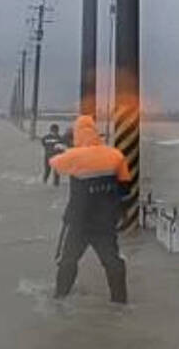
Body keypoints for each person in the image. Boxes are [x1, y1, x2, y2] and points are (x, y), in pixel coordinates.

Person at [49, 115, 132, 303]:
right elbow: (125, 189)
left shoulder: (73, 156)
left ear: (77, 134)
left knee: (67, 261)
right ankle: (120, 303)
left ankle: (59, 299)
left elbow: (54, 163)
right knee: (113, 262)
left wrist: (64, 149)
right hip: (105, 222)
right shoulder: (115, 155)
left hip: (77, 223)